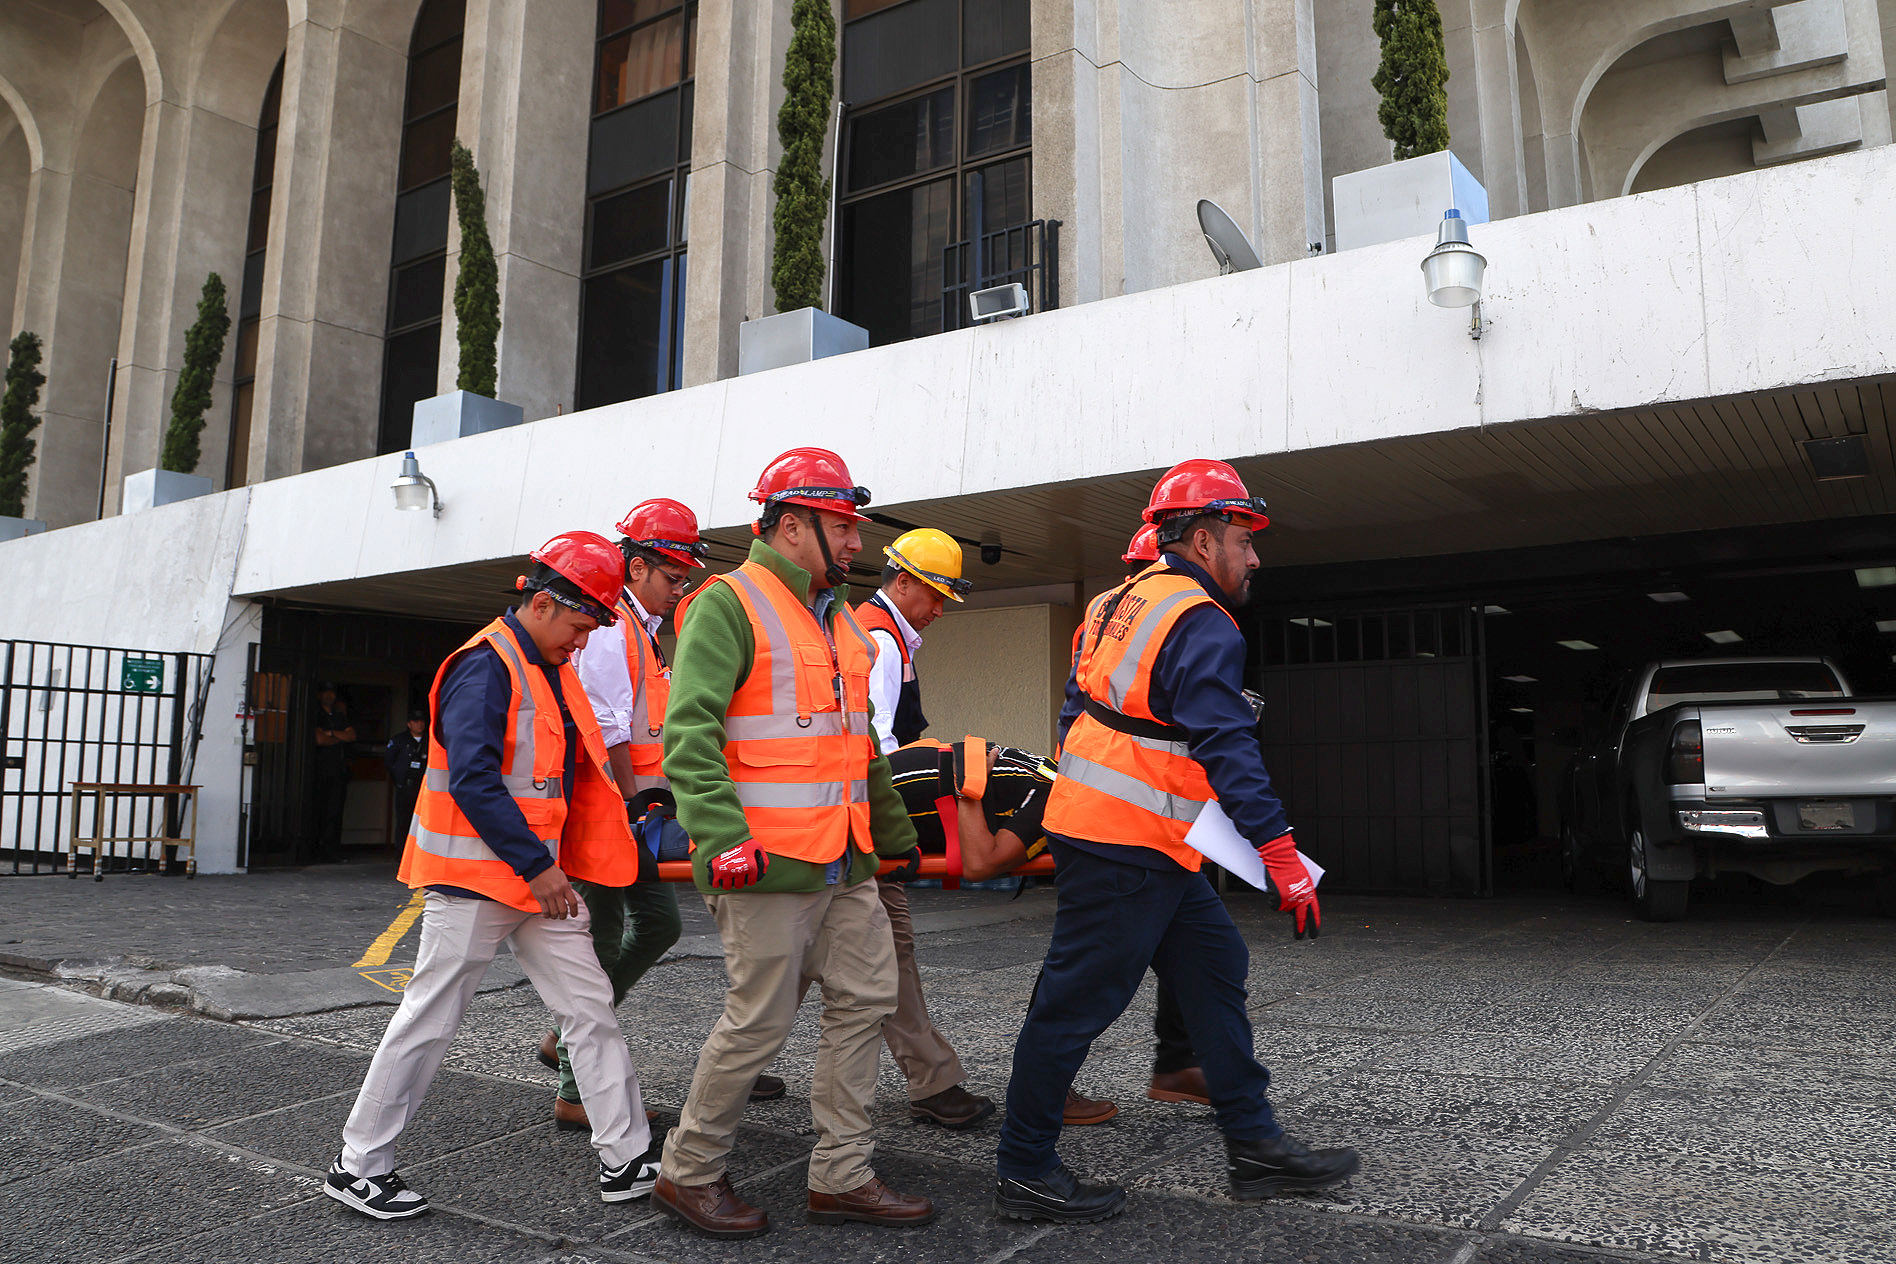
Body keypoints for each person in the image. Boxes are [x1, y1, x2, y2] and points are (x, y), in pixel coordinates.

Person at [993, 460, 1359, 1224]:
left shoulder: (1115, 602)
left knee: (1216, 961)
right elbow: (1227, 745)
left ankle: (1255, 1147)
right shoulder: (1200, 619)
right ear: (1200, 540)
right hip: (1128, 842)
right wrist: (1281, 855)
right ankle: (1024, 1168)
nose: (1255, 557)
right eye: (1243, 539)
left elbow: (1078, 715)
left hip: (1127, 834)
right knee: (1072, 1005)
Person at [325, 532, 661, 1221]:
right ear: (542, 604)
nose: (583, 641)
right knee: (430, 1020)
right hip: (480, 880)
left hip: (539, 880)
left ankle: (627, 1156)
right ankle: (358, 1166)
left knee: (589, 1009)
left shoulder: (545, 665)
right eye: (579, 625)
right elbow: (476, 780)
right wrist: (539, 868)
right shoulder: (488, 665)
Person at [653, 447, 933, 1239]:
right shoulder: (728, 604)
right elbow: (689, 734)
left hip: (844, 863)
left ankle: (842, 1174)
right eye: (841, 527)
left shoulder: (839, 617)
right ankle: (688, 1172)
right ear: (788, 524)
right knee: (759, 1023)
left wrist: (892, 836)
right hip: (767, 865)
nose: (855, 544)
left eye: (853, 528)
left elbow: (857, 746)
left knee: (866, 1002)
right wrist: (723, 836)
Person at [537, 499, 783, 1129]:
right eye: (673, 577)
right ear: (638, 566)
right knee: (607, 938)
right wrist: (633, 805)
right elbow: (610, 728)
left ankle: (567, 1047)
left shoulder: (635, 627)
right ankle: (575, 1084)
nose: (680, 590)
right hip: (610, 812)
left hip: (624, 809)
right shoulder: (615, 627)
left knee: (650, 927)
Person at [882, 737, 1121, 1128]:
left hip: (866, 814)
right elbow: (980, 864)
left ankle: (936, 1086)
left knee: (876, 963)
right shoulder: (1059, 798)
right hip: (846, 830)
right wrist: (969, 794)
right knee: (838, 964)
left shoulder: (1056, 776)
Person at [851, 529, 1002, 1130]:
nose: (938, 610)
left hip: (852, 824)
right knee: (890, 950)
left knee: (802, 960)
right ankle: (933, 1082)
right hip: (862, 827)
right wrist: (900, 833)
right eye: (933, 596)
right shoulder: (881, 642)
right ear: (903, 581)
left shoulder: (888, 635)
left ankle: (933, 1079)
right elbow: (876, 751)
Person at [311, 683, 356, 862]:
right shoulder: (315, 714)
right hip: (319, 770)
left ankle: (332, 851)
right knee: (317, 810)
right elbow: (319, 739)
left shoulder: (339, 716)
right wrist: (339, 737)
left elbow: (352, 736)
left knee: (335, 812)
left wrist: (330, 733)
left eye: (332, 692)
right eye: (325, 692)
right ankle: (315, 850)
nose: (329, 696)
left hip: (338, 771)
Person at [383, 708, 429, 840]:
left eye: (421, 721)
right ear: (409, 724)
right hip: (405, 787)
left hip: (424, 788)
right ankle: (401, 853)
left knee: (423, 821)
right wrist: (399, 781)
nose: (419, 724)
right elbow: (389, 761)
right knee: (404, 821)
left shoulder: (430, 740)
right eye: (415, 721)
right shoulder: (399, 740)